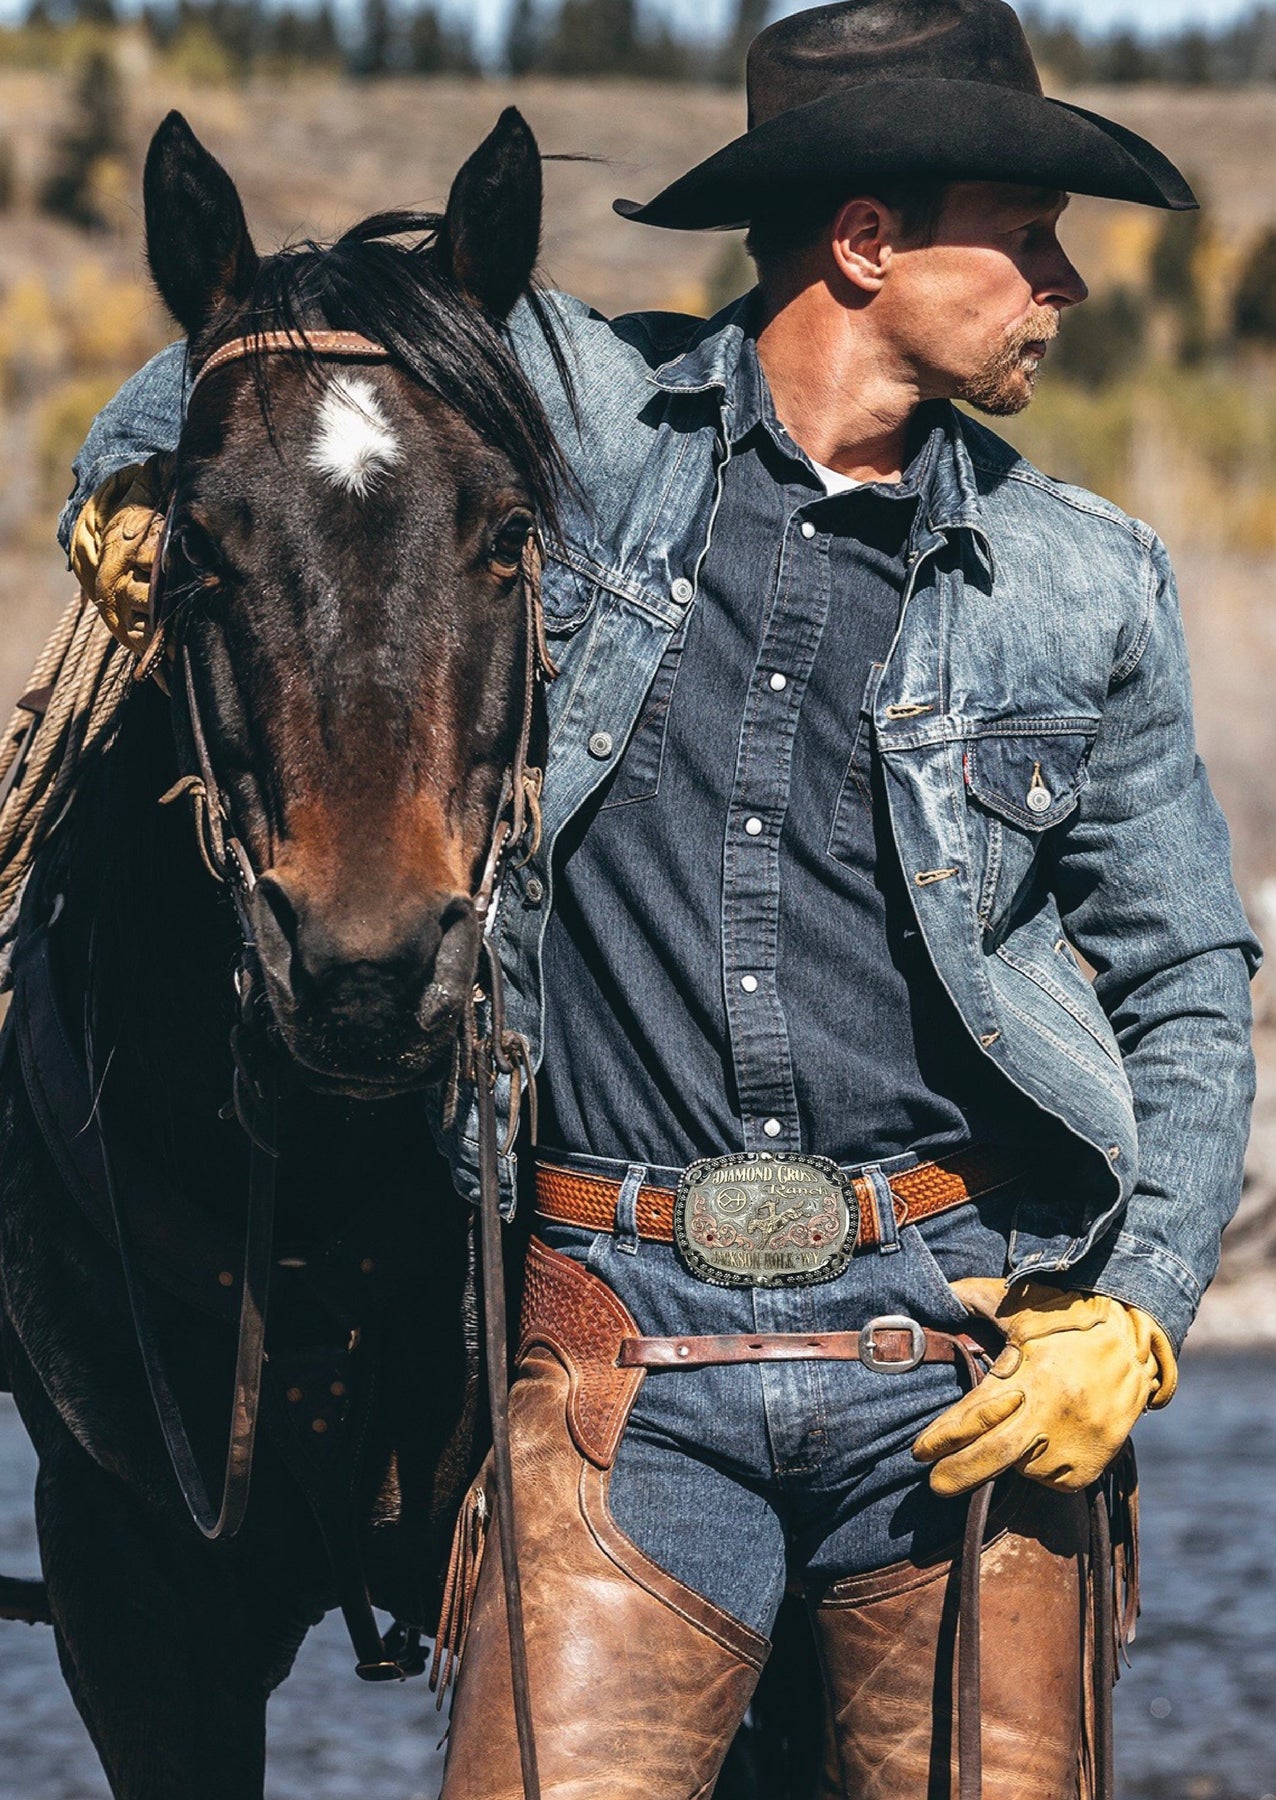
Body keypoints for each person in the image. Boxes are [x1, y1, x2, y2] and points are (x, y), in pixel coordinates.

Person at [61, 2, 1260, 1793]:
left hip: (957, 1348)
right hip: (621, 1359)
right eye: (1024, 233)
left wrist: (1148, 1308)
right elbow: (283, 356)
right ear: (864, 243)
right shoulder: (593, 428)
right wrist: (122, 470)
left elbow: (1189, 976)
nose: (1064, 284)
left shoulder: (1089, 584)